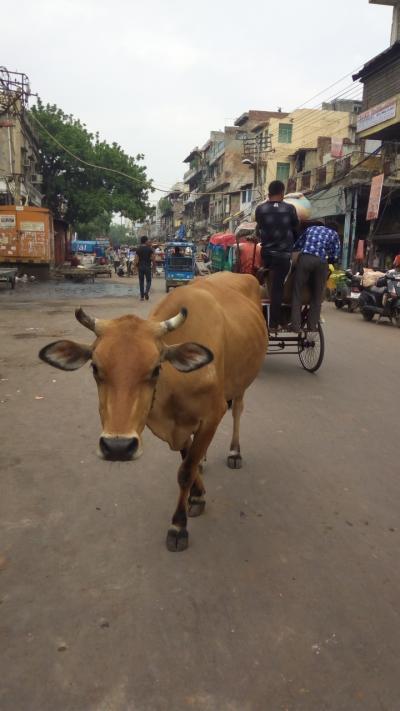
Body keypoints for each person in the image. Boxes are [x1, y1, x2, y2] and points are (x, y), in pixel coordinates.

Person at [255, 180, 300, 330]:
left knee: (269, 282)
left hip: (267, 255)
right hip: (283, 256)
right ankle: (274, 323)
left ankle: (262, 312)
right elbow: (295, 228)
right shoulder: (290, 208)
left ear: (268, 194)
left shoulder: (260, 209)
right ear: (282, 194)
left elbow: (260, 228)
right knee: (278, 288)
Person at [290, 220, 341, 332]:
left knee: (297, 292)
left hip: (305, 259)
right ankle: (312, 326)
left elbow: (297, 245)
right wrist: (330, 259)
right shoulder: (334, 234)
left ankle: (295, 326)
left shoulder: (310, 229)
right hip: (321, 262)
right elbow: (335, 256)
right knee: (317, 296)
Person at [135, 236, 154, 301]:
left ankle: (142, 297)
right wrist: (154, 266)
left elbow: (136, 260)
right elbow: (152, 258)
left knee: (141, 282)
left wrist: (135, 267)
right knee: (149, 281)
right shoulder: (149, 249)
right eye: (147, 240)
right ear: (146, 241)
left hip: (140, 267)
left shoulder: (138, 249)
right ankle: (146, 292)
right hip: (147, 267)